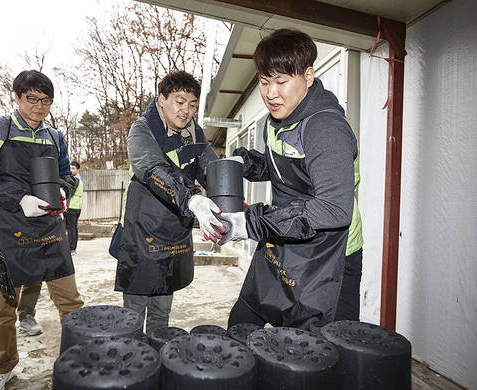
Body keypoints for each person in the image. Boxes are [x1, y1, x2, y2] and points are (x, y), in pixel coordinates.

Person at [221, 29, 363, 331]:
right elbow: (280, 169)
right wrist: (243, 162)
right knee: (243, 322)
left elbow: (334, 209)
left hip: (330, 252)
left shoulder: (326, 129)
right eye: (264, 81)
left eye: (282, 81)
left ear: (308, 76)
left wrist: (250, 223)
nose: (271, 93)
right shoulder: (275, 122)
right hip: (285, 236)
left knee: (322, 351)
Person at [0, 70, 84, 389]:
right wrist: (18, 199)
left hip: (50, 227)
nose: (40, 106)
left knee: (70, 301)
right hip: (9, 228)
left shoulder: (55, 136)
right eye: (32, 99)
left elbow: (68, 175)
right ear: (16, 96)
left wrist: (64, 192)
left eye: (46, 101)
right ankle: (5, 368)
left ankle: (75, 361)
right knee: (4, 307)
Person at [113, 71, 223, 335]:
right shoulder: (142, 129)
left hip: (174, 231)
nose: (186, 110)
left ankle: (156, 354)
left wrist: (228, 202)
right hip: (142, 234)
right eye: (180, 101)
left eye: (192, 104)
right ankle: (134, 366)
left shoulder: (194, 133)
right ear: (161, 99)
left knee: (162, 310)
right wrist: (192, 197)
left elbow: (212, 170)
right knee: (134, 312)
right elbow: (153, 167)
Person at [65, 161, 83, 255]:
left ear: (78, 169)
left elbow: (70, 192)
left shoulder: (75, 180)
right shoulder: (79, 179)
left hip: (72, 207)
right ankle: (73, 248)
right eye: (70, 168)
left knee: (70, 228)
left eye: (73, 168)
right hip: (77, 207)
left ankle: (71, 249)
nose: (71, 170)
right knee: (74, 228)